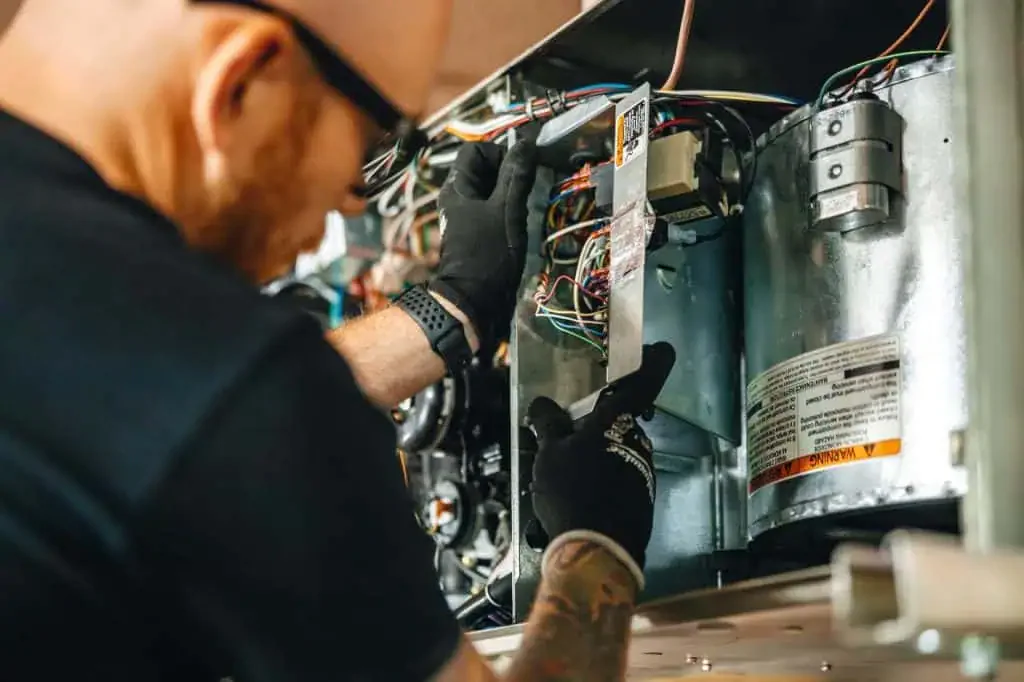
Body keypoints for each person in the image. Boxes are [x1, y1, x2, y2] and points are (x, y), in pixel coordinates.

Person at [0, 0, 676, 680]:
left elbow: (129, 410)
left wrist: (447, 312)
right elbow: (201, 408)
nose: (355, 202)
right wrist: (596, 549)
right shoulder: (231, 388)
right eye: (373, 145)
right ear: (242, 77)